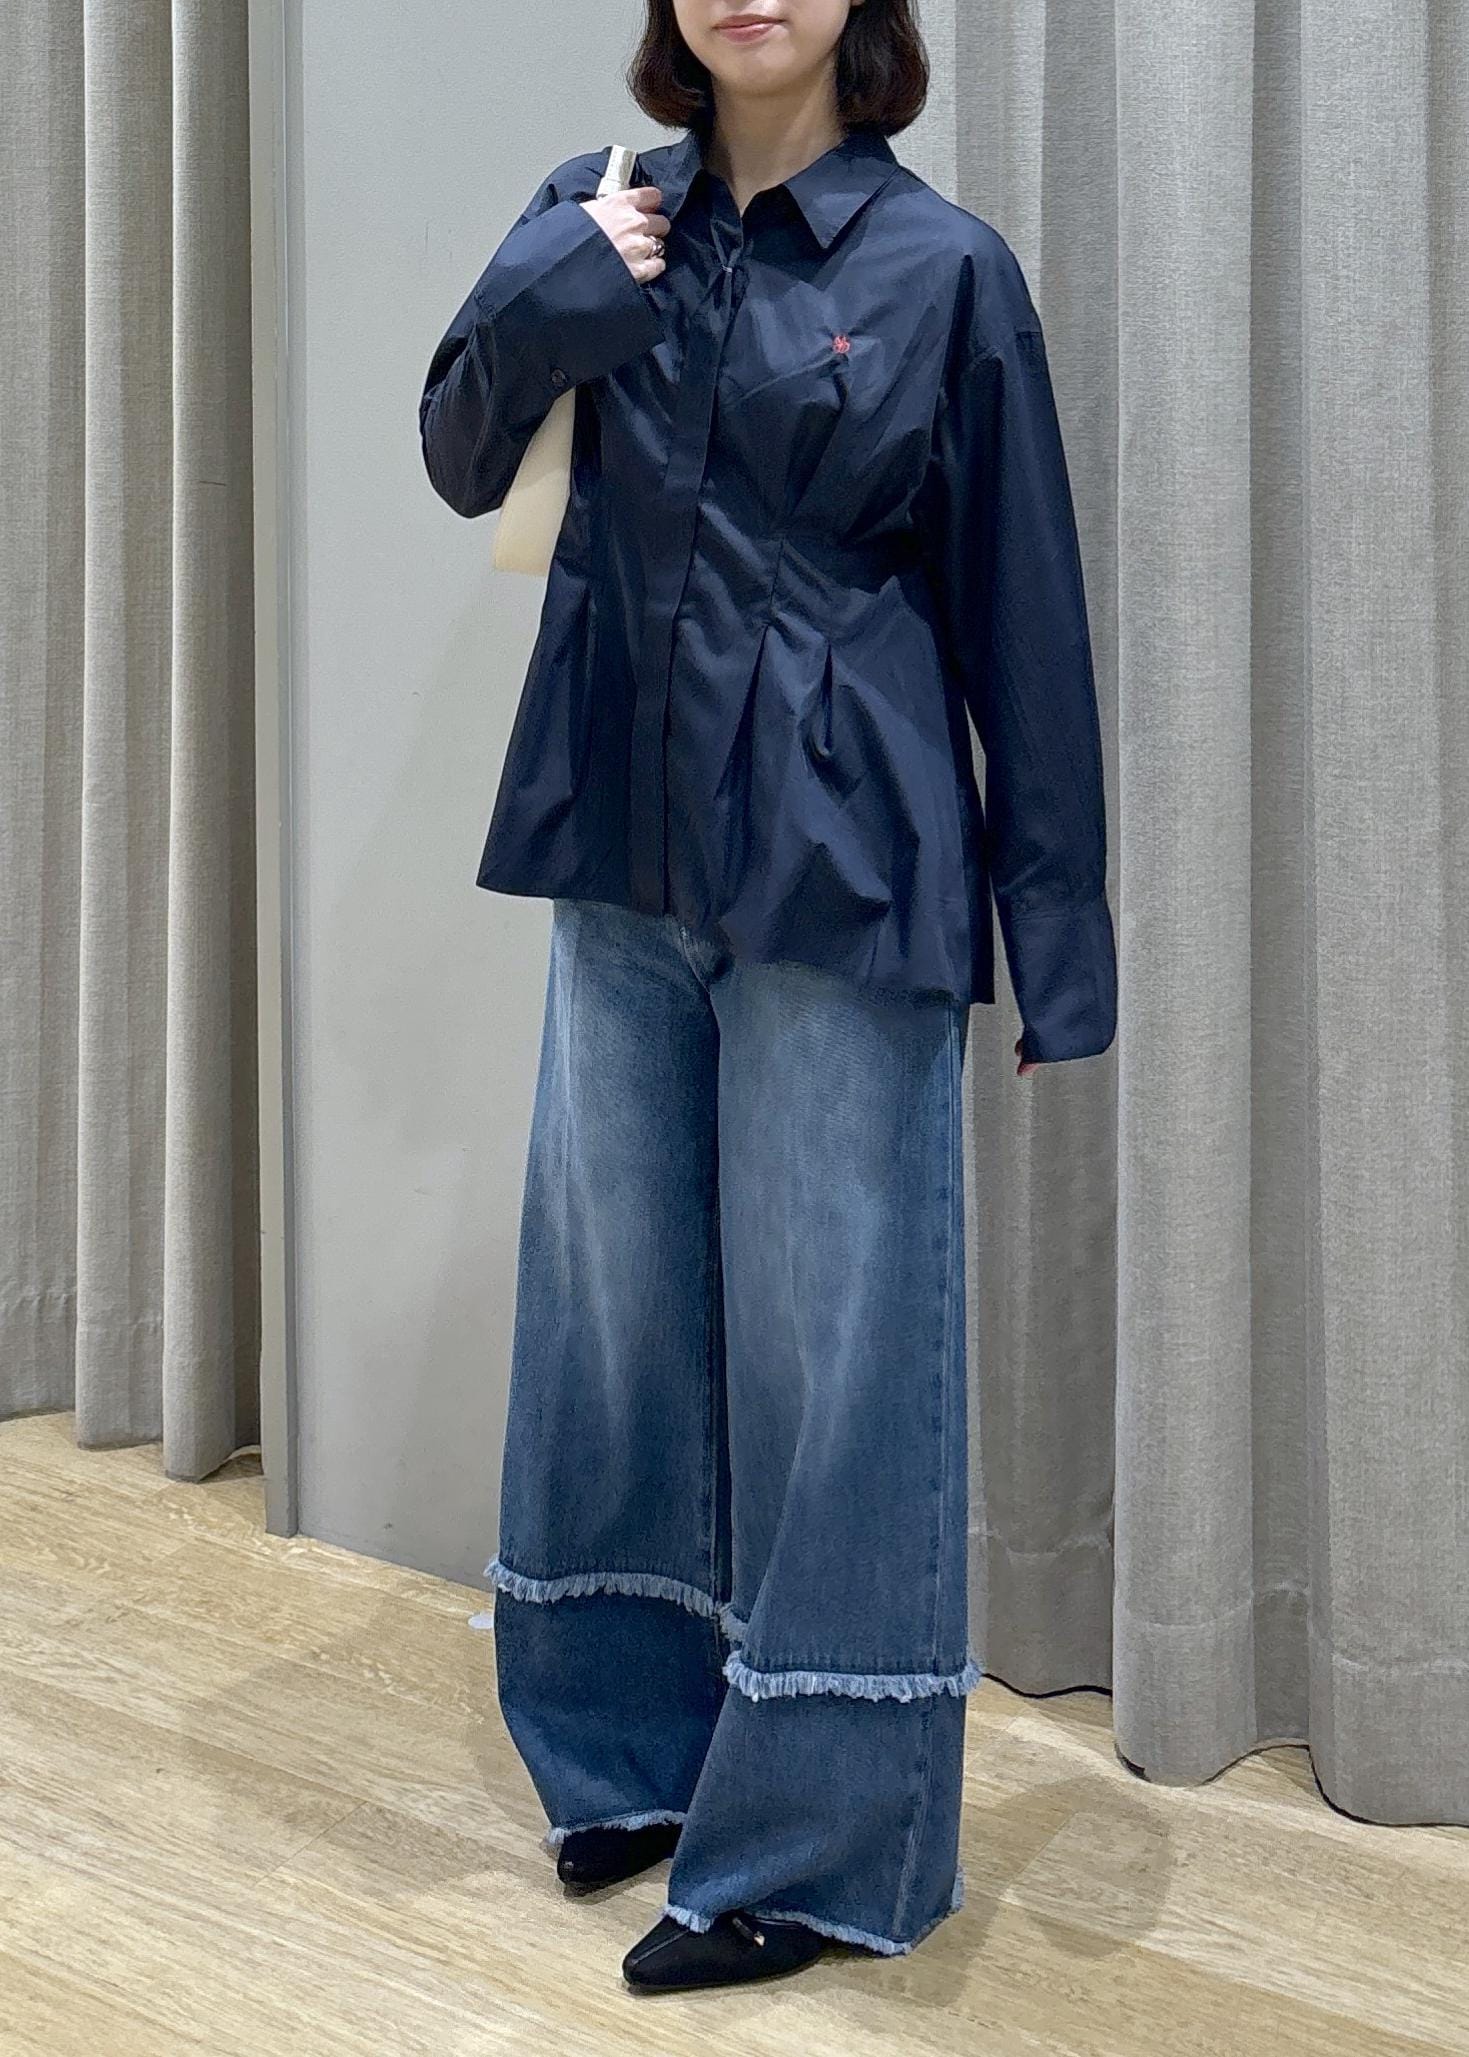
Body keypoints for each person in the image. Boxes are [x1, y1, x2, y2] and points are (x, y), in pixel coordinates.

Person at [418, 0, 1117, 1996]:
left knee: (836, 1355)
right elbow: (461, 455)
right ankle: (623, 1752)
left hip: (844, 864)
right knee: (614, 1319)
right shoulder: (595, 213)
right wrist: (558, 282)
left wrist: (1055, 939)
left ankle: (815, 1848)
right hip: (619, 845)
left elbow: (1024, 614)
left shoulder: (945, 271)